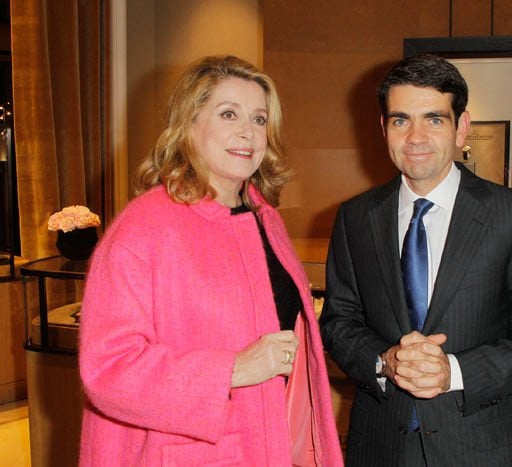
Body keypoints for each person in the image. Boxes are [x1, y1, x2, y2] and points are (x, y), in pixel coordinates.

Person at [78, 55, 343, 467]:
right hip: (190, 452)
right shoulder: (145, 227)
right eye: (228, 114)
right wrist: (232, 369)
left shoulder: (264, 217)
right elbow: (108, 369)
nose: (248, 133)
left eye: (259, 119)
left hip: (270, 443)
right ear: (189, 125)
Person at [319, 53, 512, 466]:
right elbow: (339, 321)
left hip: (479, 447)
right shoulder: (356, 216)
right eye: (401, 120)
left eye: (433, 119)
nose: (415, 137)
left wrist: (453, 371)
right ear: (383, 129)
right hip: (380, 445)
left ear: (461, 128)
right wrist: (385, 360)